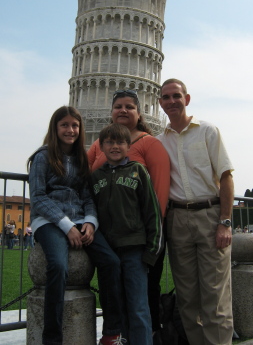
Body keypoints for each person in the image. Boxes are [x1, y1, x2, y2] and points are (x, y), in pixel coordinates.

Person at [28, 106, 126, 345]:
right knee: (58, 266)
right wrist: (65, 226)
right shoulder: (42, 156)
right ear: (55, 128)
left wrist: (91, 223)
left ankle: (111, 332)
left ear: (80, 129)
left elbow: (87, 196)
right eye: (65, 125)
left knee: (111, 262)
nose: (70, 130)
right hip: (49, 220)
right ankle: (52, 338)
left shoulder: (81, 158)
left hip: (80, 219)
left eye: (74, 125)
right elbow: (38, 197)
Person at [88, 89, 170, 344]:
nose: (123, 111)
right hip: (107, 243)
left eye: (129, 107)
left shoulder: (149, 144)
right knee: (115, 299)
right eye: (118, 106)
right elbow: (81, 177)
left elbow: (157, 199)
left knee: (139, 300)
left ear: (138, 112)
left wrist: (151, 244)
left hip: (137, 242)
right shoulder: (97, 148)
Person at [157, 78, 234, 345]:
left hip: (210, 216)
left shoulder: (208, 131)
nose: (171, 101)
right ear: (160, 103)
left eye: (176, 96)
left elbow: (225, 177)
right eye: (166, 97)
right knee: (187, 298)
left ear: (186, 99)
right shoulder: (159, 141)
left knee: (215, 296)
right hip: (177, 219)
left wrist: (225, 222)